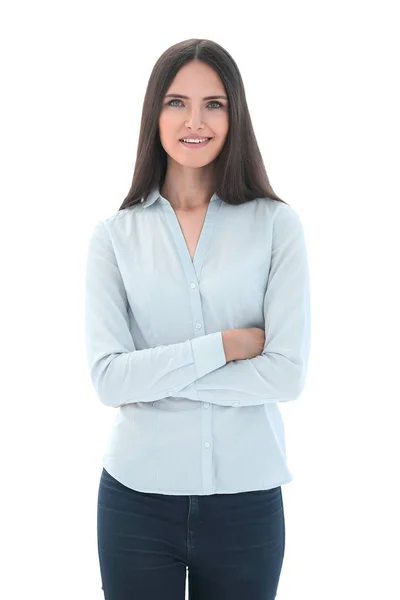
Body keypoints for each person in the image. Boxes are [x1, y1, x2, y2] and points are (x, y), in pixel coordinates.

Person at [85, 38, 311, 600]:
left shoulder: (277, 226)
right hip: (136, 503)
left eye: (214, 104)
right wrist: (226, 345)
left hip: (247, 506)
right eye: (176, 102)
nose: (195, 120)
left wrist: (157, 381)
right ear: (153, 115)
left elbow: (286, 375)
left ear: (235, 115)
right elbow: (110, 380)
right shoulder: (114, 238)